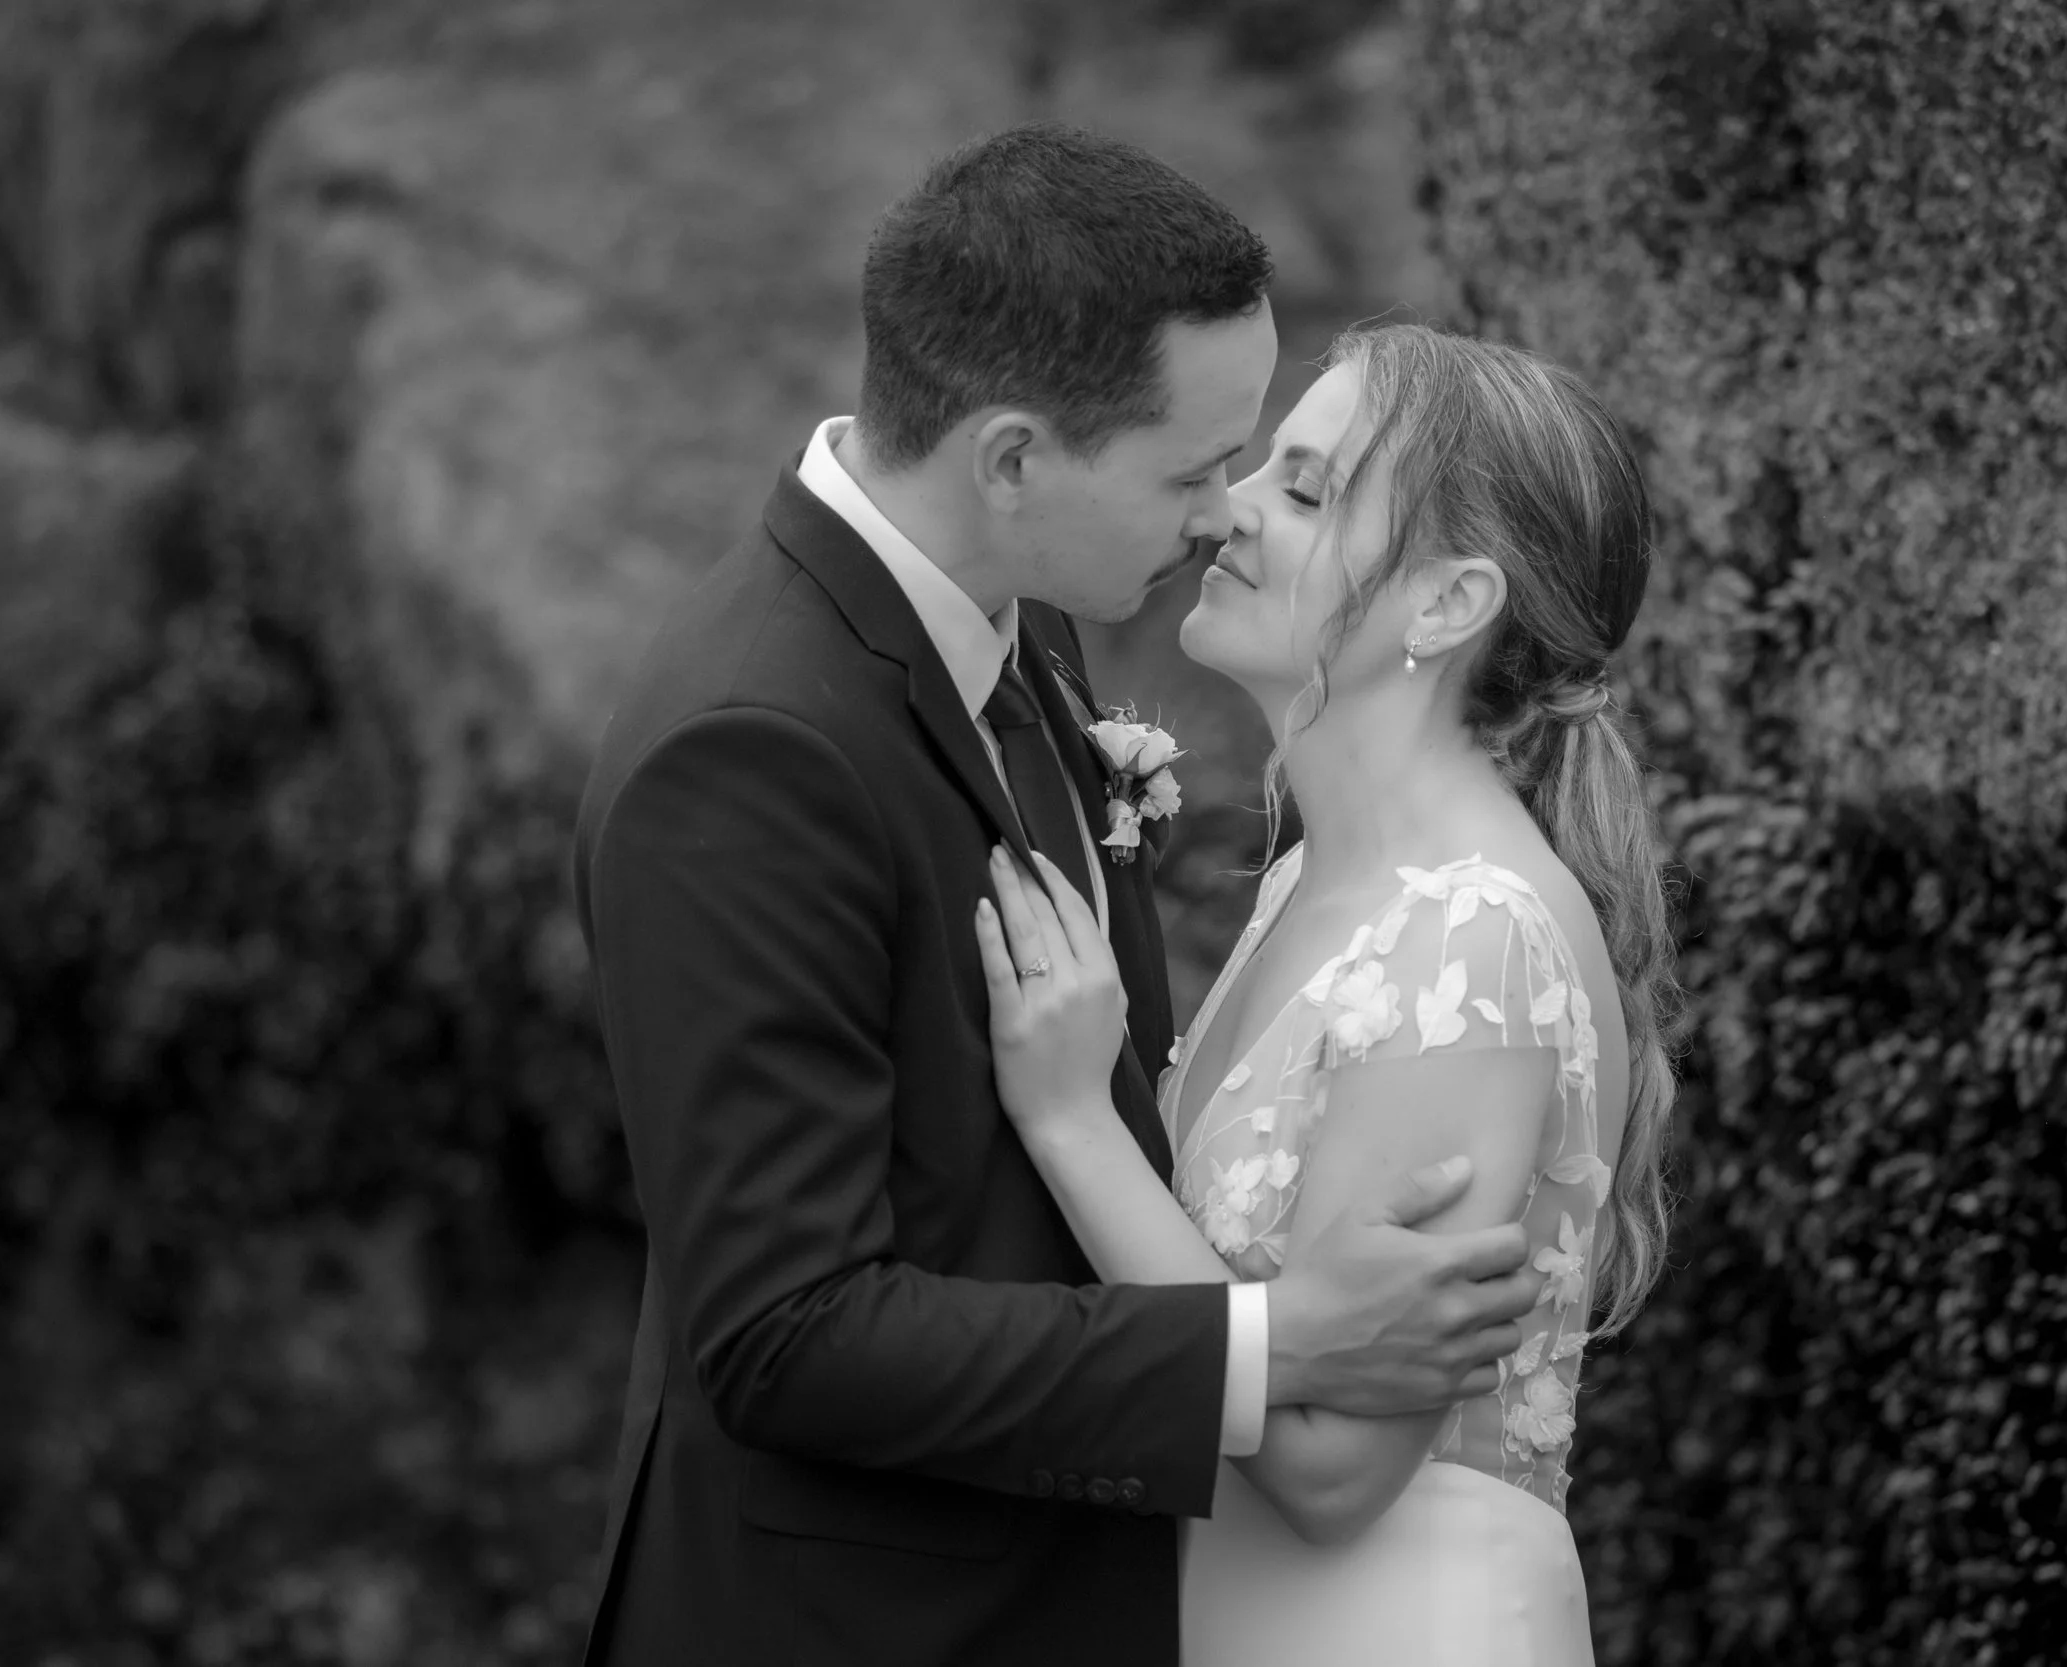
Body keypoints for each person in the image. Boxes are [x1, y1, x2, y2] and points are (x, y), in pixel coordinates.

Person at [572, 126, 1551, 1667]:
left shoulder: (1016, 635)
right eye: (1196, 466)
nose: (1228, 512)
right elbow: (785, 1336)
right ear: (1014, 457)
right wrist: (1276, 1336)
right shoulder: (750, 750)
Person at [975, 320, 1682, 1665]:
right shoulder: (1313, 883)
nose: (1226, 510)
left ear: (1447, 607)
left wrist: (1073, 1122)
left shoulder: (1478, 938)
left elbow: (1330, 1466)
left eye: (1303, 489)